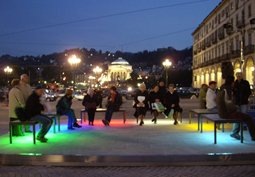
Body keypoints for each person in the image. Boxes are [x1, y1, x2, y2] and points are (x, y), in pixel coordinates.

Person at [216, 76, 255, 141]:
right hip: (227, 113)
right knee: (248, 118)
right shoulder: (227, 90)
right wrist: (235, 108)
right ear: (231, 82)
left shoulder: (222, 89)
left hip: (222, 112)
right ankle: (253, 135)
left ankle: (235, 132)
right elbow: (228, 103)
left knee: (241, 116)